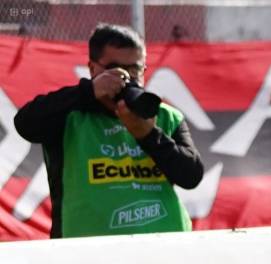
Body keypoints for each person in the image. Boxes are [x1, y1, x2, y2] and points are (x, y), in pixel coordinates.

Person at [14, 23, 203, 238]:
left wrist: (148, 135)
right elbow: (25, 123)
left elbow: (191, 176)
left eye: (135, 70)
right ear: (93, 68)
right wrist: (89, 91)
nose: (127, 79)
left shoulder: (165, 115)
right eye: (116, 69)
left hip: (164, 246)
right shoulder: (69, 115)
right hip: (85, 253)